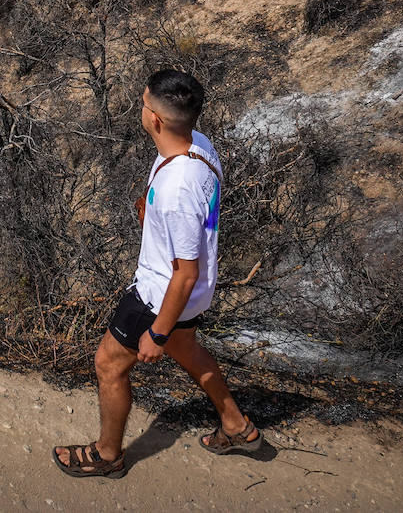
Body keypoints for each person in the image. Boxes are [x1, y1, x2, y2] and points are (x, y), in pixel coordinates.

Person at [53, 69, 261, 478]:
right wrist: (154, 217)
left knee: (109, 366)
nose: (141, 109)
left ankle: (107, 456)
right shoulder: (198, 146)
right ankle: (236, 425)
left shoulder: (176, 191)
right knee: (189, 351)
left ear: (157, 120)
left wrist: (158, 331)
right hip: (196, 292)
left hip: (160, 294)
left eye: (144, 104)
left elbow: (184, 272)